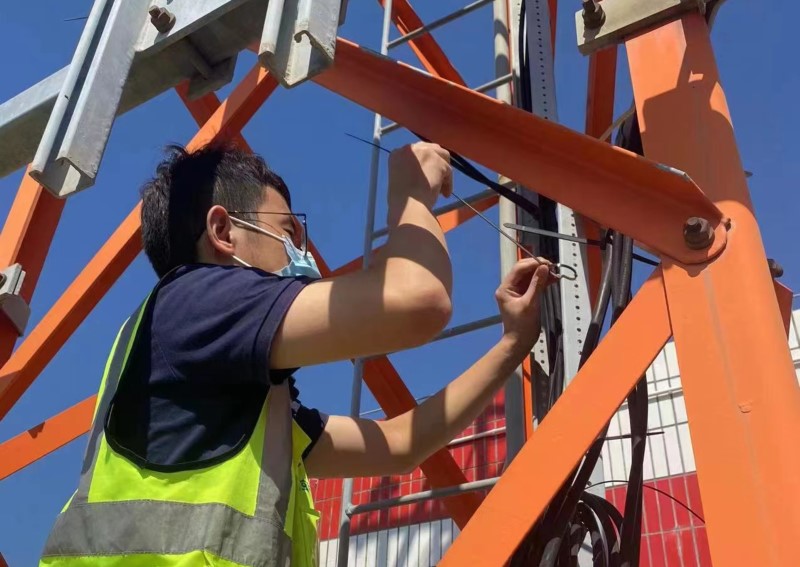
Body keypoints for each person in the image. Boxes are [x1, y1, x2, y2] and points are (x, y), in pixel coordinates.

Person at [39, 142, 554, 566]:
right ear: (223, 233)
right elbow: (417, 300)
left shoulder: (242, 395)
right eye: (289, 231)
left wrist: (512, 344)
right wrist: (411, 193)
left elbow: (401, 444)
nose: (302, 253)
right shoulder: (193, 301)